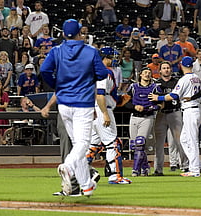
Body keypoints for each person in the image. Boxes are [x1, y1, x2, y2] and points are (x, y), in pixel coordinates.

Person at [40, 19, 108, 197]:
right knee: (82, 145)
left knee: (77, 145)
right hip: (83, 103)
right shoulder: (90, 51)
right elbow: (102, 73)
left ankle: (86, 185)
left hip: (64, 104)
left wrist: (57, 85)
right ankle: (68, 168)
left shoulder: (56, 51)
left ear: (63, 34)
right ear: (80, 33)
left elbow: (44, 70)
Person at [149, 57, 201, 177]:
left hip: (191, 110)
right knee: (184, 139)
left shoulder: (185, 79)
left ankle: (195, 170)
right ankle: (199, 165)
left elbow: (174, 95)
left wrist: (158, 98)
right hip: (193, 109)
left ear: (181, 65)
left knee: (191, 140)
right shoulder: (196, 77)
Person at [86, 50, 132, 184]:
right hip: (102, 109)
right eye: (111, 57)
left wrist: (117, 100)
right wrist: (105, 113)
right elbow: (100, 95)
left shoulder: (91, 72)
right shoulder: (103, 72)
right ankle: (114, 176)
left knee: (93, 145)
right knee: (113, 143)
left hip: (93, 110)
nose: (113, 60)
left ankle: (77, 170)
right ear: (105, 58)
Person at [123, 67, 163, 177]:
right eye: (145, 72)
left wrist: (151, 108)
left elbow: (161, 104)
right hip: (134, 117)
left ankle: (135, 170)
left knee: (140, 142)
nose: (147, 74)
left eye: (149, 73)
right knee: (134, 146)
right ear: (140, 74)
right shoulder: (133, 87)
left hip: (147, 117)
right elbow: (125, 102)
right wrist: (134, 107)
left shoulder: (155, 88)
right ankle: (145, 167)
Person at [150, 61, 187, 175]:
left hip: (174, 113)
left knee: (180, 141)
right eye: (164, 68)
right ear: (160, 70)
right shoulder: (156, 84)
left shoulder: (177, 82)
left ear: (171, 70)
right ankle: (158, 169)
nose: (166, 70)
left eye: (168, 68)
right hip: (160, 113)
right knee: (159, 143)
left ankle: (185, 166)